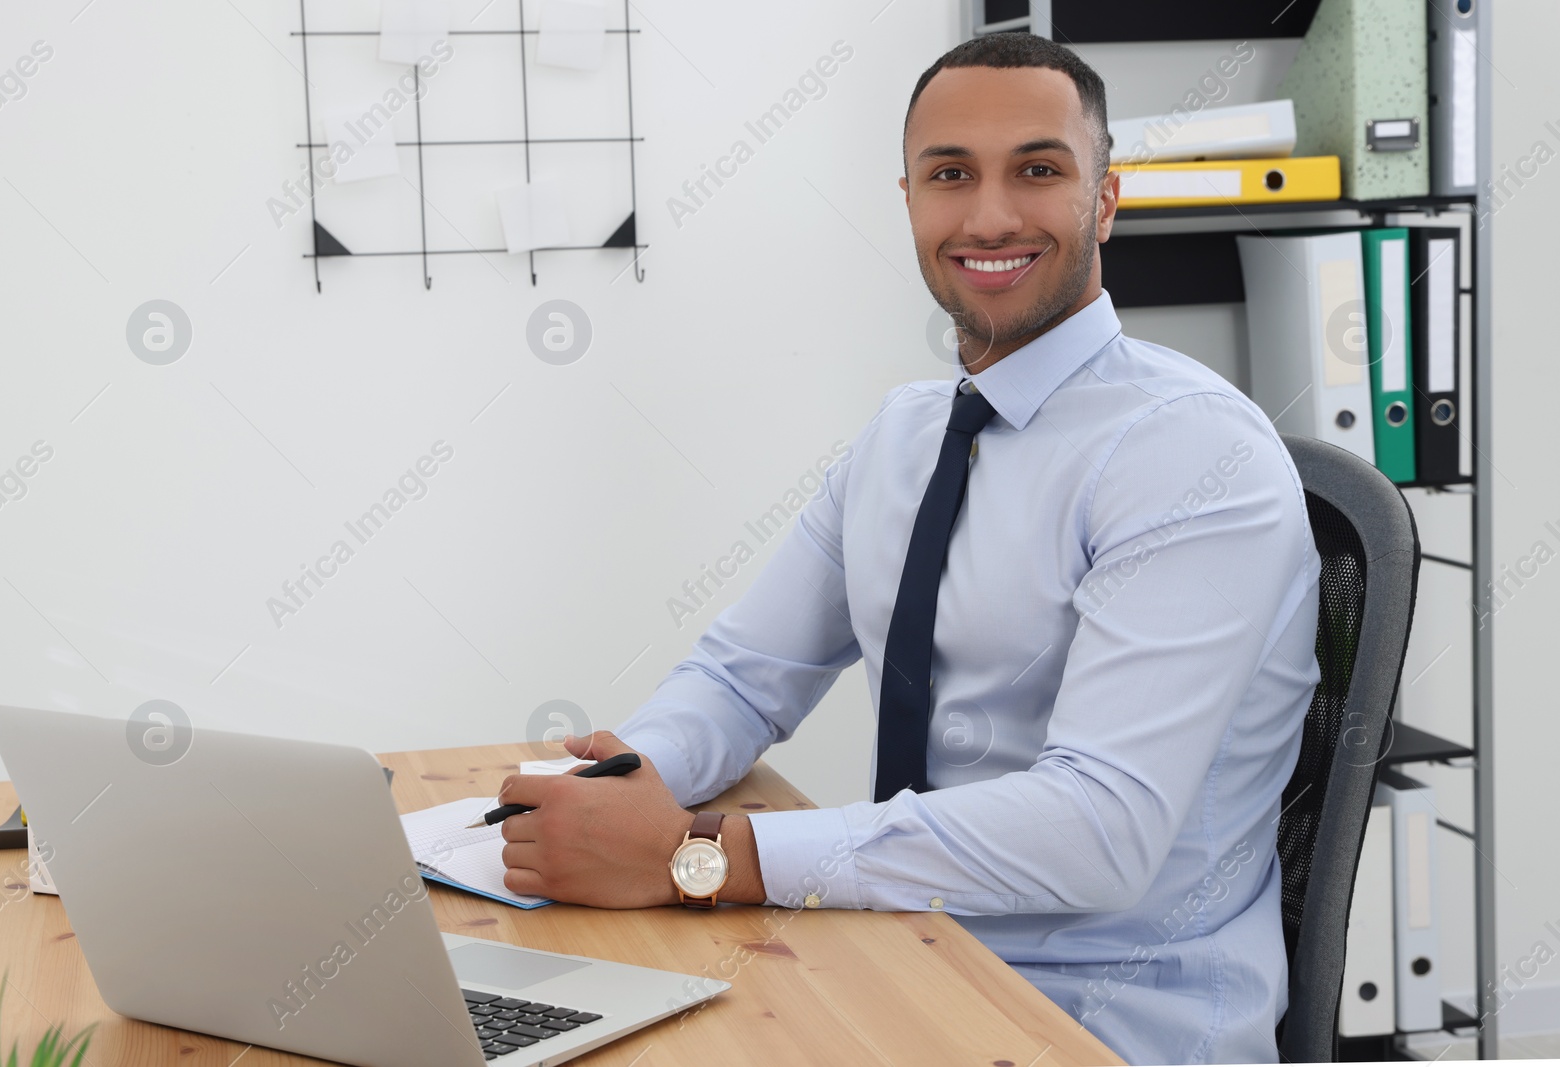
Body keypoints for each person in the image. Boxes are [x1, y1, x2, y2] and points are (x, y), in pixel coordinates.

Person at [495, 31, 1321, 1065]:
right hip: (899, 951)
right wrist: (630, 776)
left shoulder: (1192, 456)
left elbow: (1098, 827)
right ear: (909, 202)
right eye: (949, 175)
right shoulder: (904, 433)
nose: (987, 215)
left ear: (1103, 202)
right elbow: (747, 676)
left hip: (1102, 1019)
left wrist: (695, 852)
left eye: (1037, 169)